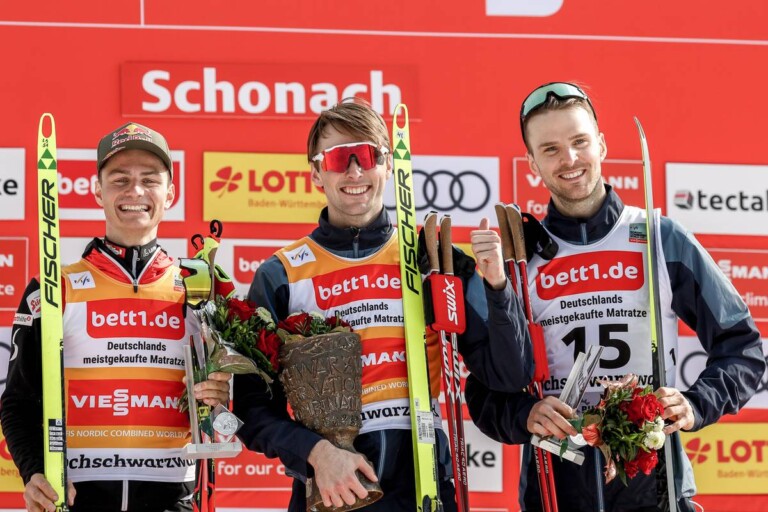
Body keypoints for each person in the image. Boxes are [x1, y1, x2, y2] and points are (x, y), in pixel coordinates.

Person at [465, 82, 766, 512]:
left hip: (655, 490)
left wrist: (695, 404)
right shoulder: (516, 259)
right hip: (555, 491)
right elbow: (482, 388)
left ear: (602, 145)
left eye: (579, 142)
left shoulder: (660, 239)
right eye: (550, 149)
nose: (569, 160)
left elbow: (744, 349)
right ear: (531, 163)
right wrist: (523, 415)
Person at [234, 98, 530, 511]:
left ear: (388, 165)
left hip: (421, 482)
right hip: (331, 487)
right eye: (339, 158)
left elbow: (508, 372)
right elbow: (249, 407)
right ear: (317, 173)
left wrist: (497, 286)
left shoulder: (434, 259)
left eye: (368, 155)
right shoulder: (281, 275)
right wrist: (316, 453)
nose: (355, 170)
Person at [1, 122, 232, 512]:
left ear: (170, 193)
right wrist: (35, 471)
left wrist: (225, 397)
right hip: (78, 498)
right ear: (97, 190)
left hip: (172, 498)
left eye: (149, 179)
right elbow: (19, 401)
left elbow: (232, 399)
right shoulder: (55, 285)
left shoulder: (201, 287)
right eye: (119, 179)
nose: (135, 191)